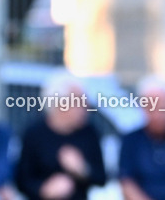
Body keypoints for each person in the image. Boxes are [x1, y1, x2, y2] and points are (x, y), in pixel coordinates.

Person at [14, 72, 106, 200]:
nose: (85, 106)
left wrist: (82, 169)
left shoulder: (89, 133)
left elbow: (101, 178)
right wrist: (43, 189)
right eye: (78, 102)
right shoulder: (34, 133)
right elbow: (22, 179)